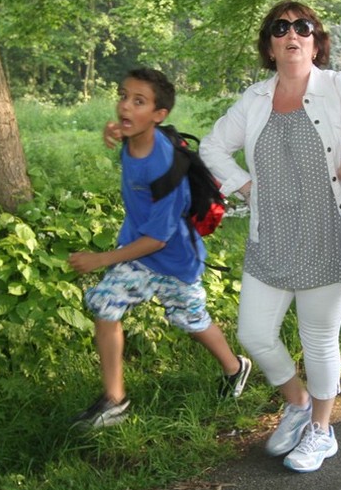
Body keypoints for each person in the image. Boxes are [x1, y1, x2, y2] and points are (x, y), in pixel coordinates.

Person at [199, 1, 341, 473]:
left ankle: (321, 431)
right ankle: (297, 402)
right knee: (253, 334)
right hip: (270, 235)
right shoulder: (254, 99)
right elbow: (212, 146)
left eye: (303, 27)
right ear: (270, 47)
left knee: (319, 339)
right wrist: (245, 185)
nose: (292, 34)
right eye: (281, 28)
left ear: (316, 41)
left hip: (327, 232)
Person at [69, 68, 251, 428]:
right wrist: (115, 130)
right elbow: (127, 130)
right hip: (138, 257)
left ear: (159, 114)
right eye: (124, 96)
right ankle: (114, 400)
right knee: (105, 304)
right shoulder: (136, 135)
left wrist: (100, 258)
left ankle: (235, 367)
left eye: (139, 101)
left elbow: (158, 239)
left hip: (174, 261)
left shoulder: (164, 168)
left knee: (193, 322)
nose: (126, 106)